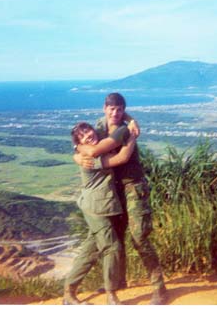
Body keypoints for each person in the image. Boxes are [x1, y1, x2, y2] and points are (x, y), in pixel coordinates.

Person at [74, 92, 167, 305]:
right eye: (111, 108)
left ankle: (159, 288)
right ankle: (117, 283)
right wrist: (77, 151)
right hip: (114, 192)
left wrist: (131, 120)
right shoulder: (99, 126)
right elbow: (84, 141)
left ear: (123, 110)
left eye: (119, 109)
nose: (115, 112)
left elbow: (100, 151)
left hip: (133, 188)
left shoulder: (127, 130)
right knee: (115, 237)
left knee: (139, 237)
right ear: (104, 108)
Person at [64, 122, 137, 305]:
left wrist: (77, 147)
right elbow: (121, 158)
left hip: (103, 206)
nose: (88, 135)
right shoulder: (89, 157)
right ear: (80, 142)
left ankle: (68, 291)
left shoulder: (96, 147)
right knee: (111, 247)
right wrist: (133, 136)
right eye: (82, 135)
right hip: (96, 209)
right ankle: (111, 294)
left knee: (90, 249)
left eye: (88, 130)